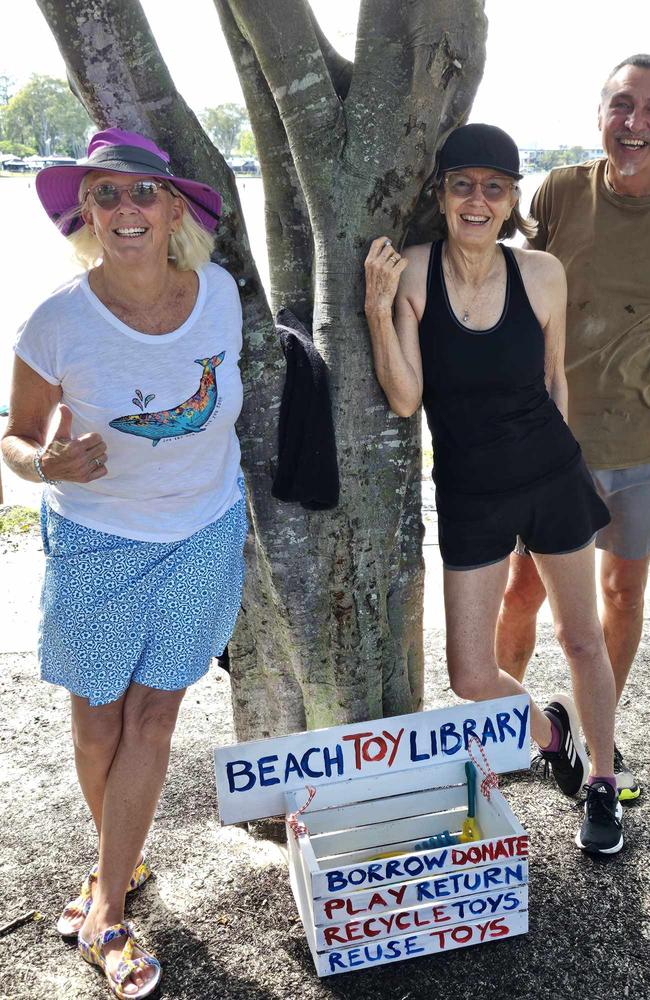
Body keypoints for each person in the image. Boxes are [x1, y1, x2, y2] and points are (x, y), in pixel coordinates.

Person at [1, 128, 247, 998]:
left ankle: (107, 909)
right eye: (106, 195)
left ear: (175, 208)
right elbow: (17, 438)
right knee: (97, 725)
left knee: (153, 721)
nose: (126, 209)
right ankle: (117, 868)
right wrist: (46, 463)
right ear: (86, 214)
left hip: (203, 533)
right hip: (98, 543)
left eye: (143, 193)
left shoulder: (220, 294)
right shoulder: (56, 321)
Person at [364, 123, 623, 856]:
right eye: (462, 185)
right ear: (441, 195)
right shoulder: (412, 272)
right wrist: (379, 311)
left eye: (494, 187)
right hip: (472, 492)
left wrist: (561, 464)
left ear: (512, 198)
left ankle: (602, 783)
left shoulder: (542, 273)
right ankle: (551, 736)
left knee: (580, 637)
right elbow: (407, 398)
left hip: (550, 475)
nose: (477, 200)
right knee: (472, 674)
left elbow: (555, 378)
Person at [496, 55, 650, 803]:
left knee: (623, 593)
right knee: (523, 592)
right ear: (600, 115)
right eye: (623, 104)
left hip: (643, 446)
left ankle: (598, 751)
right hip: (554, 440)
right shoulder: (561, 191)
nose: (637, 123)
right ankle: (490, 740)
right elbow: (499, 271)